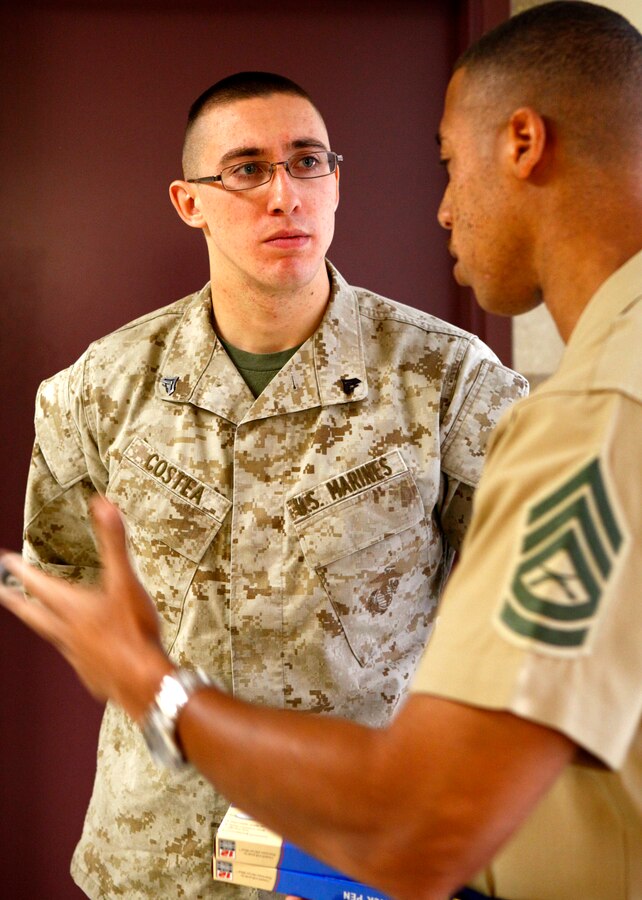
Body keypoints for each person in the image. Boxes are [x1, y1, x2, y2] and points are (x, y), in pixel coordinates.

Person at [11, 71, 525, 899]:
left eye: (308, 162)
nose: (285, 194)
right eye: (247, 169)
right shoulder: (100, 389)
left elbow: (518, 602)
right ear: (190, 203)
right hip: (159, 856)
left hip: (354, 847)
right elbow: (63, 574)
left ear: (335, 184)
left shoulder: (445, 380)